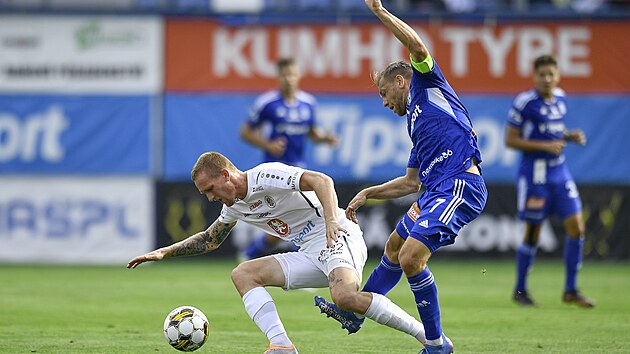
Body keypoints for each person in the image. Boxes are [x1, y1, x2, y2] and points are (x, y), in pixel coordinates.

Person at [313, 1, 487, 353]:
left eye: (383, 93)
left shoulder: (427, 84)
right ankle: (357, 312)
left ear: (399, 80)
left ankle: (437, 344)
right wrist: (368, 192)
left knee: (411, 258)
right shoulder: (416, 126)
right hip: (434, 191)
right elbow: (411, 182)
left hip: (459, 185)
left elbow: (418, 47)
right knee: (394, 246)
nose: (383, 102)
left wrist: (379, 11)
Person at [127, 152, 428, 354]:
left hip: (337, 236)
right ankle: (282, 346)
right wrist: (164, 253)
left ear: (225, 174)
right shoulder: (232, 206)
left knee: (345, 299)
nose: (209, 197)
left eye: (209, 188)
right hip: (308, 250)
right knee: (243, 274)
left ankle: (426, 336)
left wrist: (332, 222)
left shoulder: (265, 176)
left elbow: (322, 180)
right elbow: (210, 240)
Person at [505, 54, 595, 308]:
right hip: (535, 175)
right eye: (542, 74)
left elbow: (553, 131)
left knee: (577, 227)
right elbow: (510, 140)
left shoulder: (561, 99)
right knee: (533, 233)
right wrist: (545, 145)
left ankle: (571, 290)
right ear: (534, 76)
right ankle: (520, 290)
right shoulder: (525, 102)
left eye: (551, 74)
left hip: (559, 172)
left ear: (558, 76)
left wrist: (568, 136)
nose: (547, 79)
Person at [239, 57, 339, 260]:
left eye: (292, 74)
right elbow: (246, 132)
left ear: (298, 76)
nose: (288, 79)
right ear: (278, 77)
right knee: (291, 220)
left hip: (299, 171)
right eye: (284, 75)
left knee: (299, 218)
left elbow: (312, 133)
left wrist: (324, 138)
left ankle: (252, 254)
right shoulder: (267, 103)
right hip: (274, 173)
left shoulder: (308, 103)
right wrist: (268, 145)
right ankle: (256, 254)